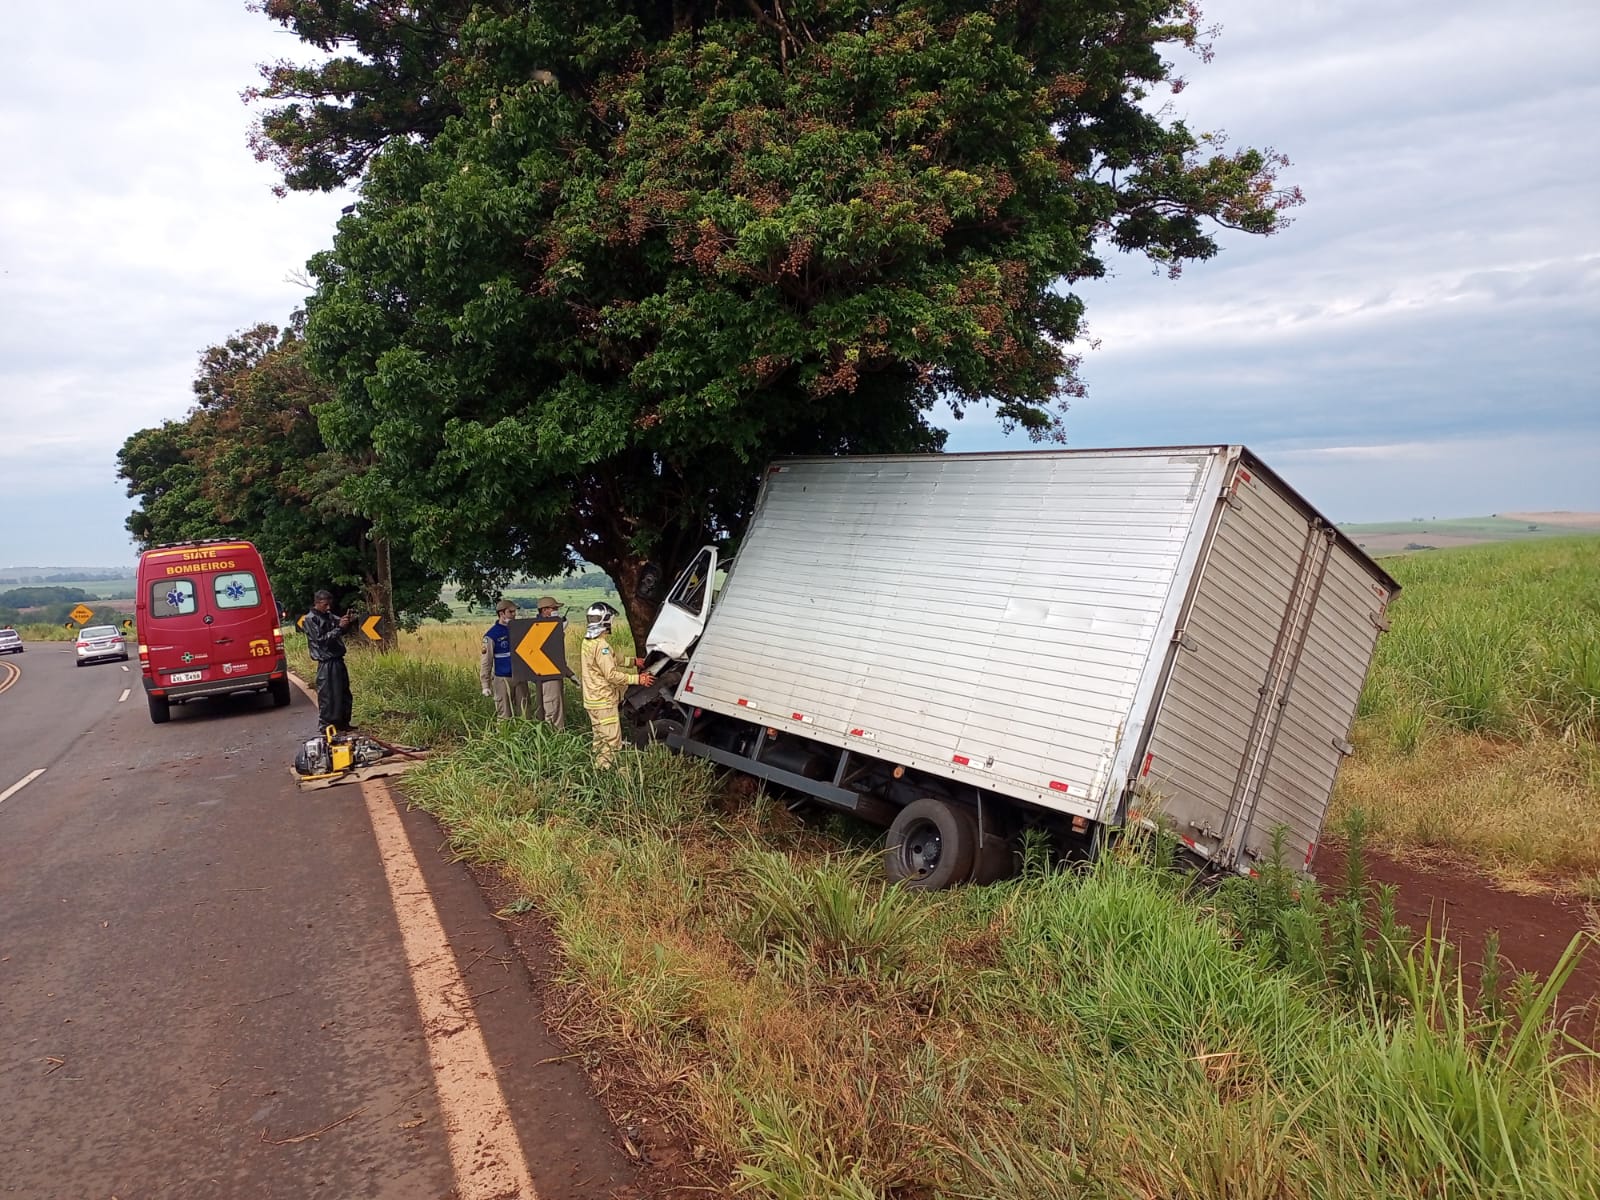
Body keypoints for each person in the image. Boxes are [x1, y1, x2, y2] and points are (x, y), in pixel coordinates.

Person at [580, 601, 653, 766]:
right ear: (605, 621)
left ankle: (597, 768)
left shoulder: (588, 642)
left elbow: (611, 659)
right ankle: (606, 773)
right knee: (611, 740)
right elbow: (611, 674)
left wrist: (633, 661)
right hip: (603, 701)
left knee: (599, 739)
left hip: (592, 701)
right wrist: (638, 679)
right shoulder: (601, 645)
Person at [304, 590, 354, 731]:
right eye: (325, 605)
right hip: (326, 662)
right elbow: (321, 640)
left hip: (338, 659)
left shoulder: (329, 616)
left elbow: (339, 627)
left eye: (329, 604)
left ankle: (344, 723)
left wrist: (345, 622)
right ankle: (327, 726)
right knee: (328, 695)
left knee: (343, 693)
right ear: (317, 603)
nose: (328, 608)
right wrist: (339, 628)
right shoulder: (310, 619)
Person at [480, 599, 532, 719]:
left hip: (520, 676)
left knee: (525, 713)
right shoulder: (492, 635)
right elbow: (486, 661)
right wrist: (485, 684)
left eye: (514, 612)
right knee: (504, 714)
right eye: (511, 612)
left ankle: (524, 736)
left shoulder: (518, 630)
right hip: (502, 678)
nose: (514, 614)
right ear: (502, 614)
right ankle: (503, 736)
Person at [534, 596, 567, 728]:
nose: (556, 611)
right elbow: (550, 651)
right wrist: (558, 632)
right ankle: (556, 738)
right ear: (545, 610)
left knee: (546, 708)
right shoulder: (539, 627)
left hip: (543, 672)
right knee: (553, 709)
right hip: (549, 672)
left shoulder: (544, 625)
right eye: (554, 608)